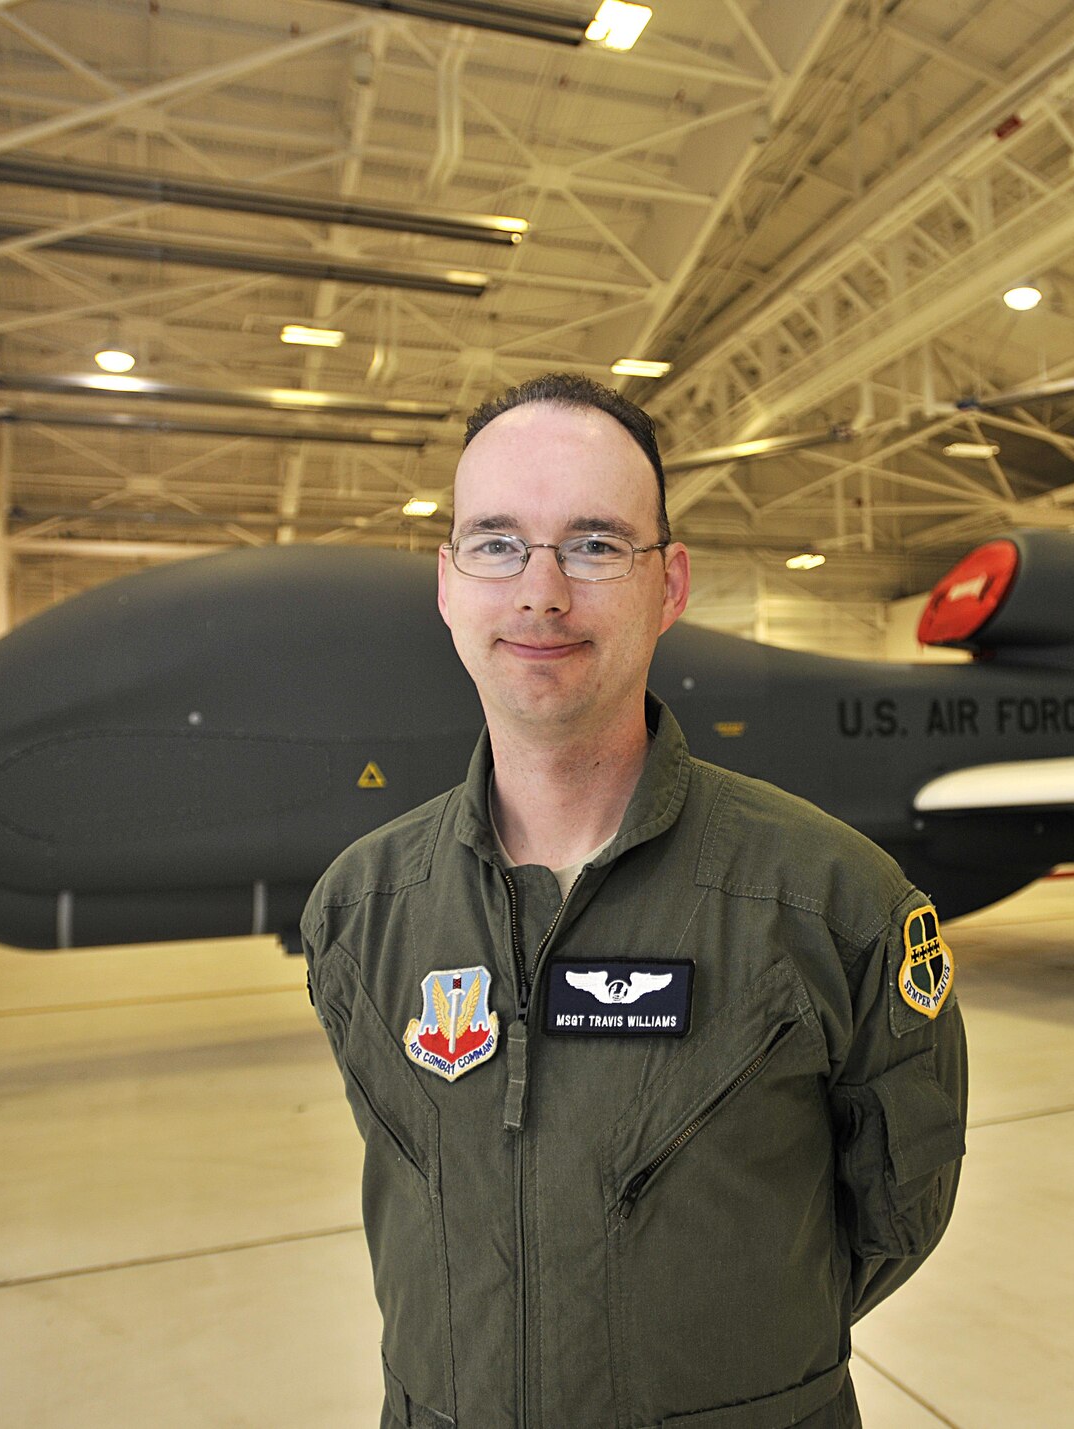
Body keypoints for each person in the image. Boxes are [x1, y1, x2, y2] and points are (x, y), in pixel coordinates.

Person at [300, 373, 967, 1429]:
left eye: (596, 543)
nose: (541, 591)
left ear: (671, 584)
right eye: (496, 542)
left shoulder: (834, 905)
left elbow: (893, 1208)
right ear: (447, 582)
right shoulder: (361, 912)